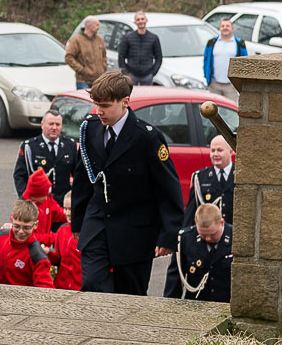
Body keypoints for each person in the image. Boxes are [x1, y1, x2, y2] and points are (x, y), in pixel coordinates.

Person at [70, 70, 184, 296]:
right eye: (96, 104)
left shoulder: (147, 137)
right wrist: (78, 223)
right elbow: (83, 179)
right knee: (92, 285)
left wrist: (169, 235)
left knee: (131, 295)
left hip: (134, 232)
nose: (99, 111)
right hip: (97, 225)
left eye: (105, 106)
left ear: (125, 102)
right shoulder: (90, 129)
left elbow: (167, 188)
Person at [164, 203, 232, 302]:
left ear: (222, 223)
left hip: (227, 303)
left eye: (212, 234)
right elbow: (174, 278)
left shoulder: (235, 238)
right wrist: (170, 305)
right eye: (203, 235)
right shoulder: (185, 239)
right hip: (197, 303)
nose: (208, 239)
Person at [13, 111, 77, 203]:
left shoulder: (70, 146)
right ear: (42, 125)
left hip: (62, 203)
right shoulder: (30, 147)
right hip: (39, 202)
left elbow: (78, 175)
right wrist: (26, 200)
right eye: (51, 124)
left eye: (57, 124)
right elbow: (20, 176)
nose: (54, 128)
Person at [0, 200, 54, 288]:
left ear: (35, 225)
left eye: (26, 227)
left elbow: (45, 289)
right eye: (17, 226)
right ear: (11, 219)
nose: (21, 231)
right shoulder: (1, 236)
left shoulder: (37, 256)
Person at [186, 135, 235, 225]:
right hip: (209, 231)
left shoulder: (241, 176)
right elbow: (191, 213)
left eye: (219, 150)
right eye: (212, 150)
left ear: (231, 151)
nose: (215, 154)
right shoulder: (200, 177)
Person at [203, 18, 247, 102]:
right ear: (219, 28)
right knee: (213, 108)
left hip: (231, 85)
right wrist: (207, 76)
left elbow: (245, 62)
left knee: (231, 108)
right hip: (214, 84)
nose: (225, 28)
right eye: (222, 26)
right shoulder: (211, 42)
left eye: (227, 26)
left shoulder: (239, 43)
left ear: (232, 28)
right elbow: (206, 60)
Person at [117, 11, 162, 87]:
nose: (140, 21)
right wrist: (126, 73)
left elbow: (159, 57)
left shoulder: (154, 38)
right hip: (132, 75)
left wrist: (153, 73)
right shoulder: (128, 37)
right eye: (138, 19)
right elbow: (121, 56)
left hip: (147, 75)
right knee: (132, 93)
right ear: (135, 22)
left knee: (147, 94)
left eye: (142, 19)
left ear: (146, 20)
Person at [50, 192, 82, 291]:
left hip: (81, 288)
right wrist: (46, 253)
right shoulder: (61, 230)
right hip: (61, 287)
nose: (67, 213)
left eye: (71, 209)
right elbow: (58, 257)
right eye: (65, 208)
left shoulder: (89, 233)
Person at [65, 17, 107, 89]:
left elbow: (104, 55)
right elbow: (68, 57)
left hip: (98, 80)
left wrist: (103, 67)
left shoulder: (99, 39)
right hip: (83, 80)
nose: (99, 27)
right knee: (84, 97)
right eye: (97, 25)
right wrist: (81, 69)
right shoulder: (76, 40)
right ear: (89, 26)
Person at [22, 168, 67, 235]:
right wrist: (54, 237)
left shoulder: (46, 200)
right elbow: (32, 237)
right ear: (36, 194)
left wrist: (71, 216)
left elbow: (58, 213)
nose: (46, 198)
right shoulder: (23, 210)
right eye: (43, 195)